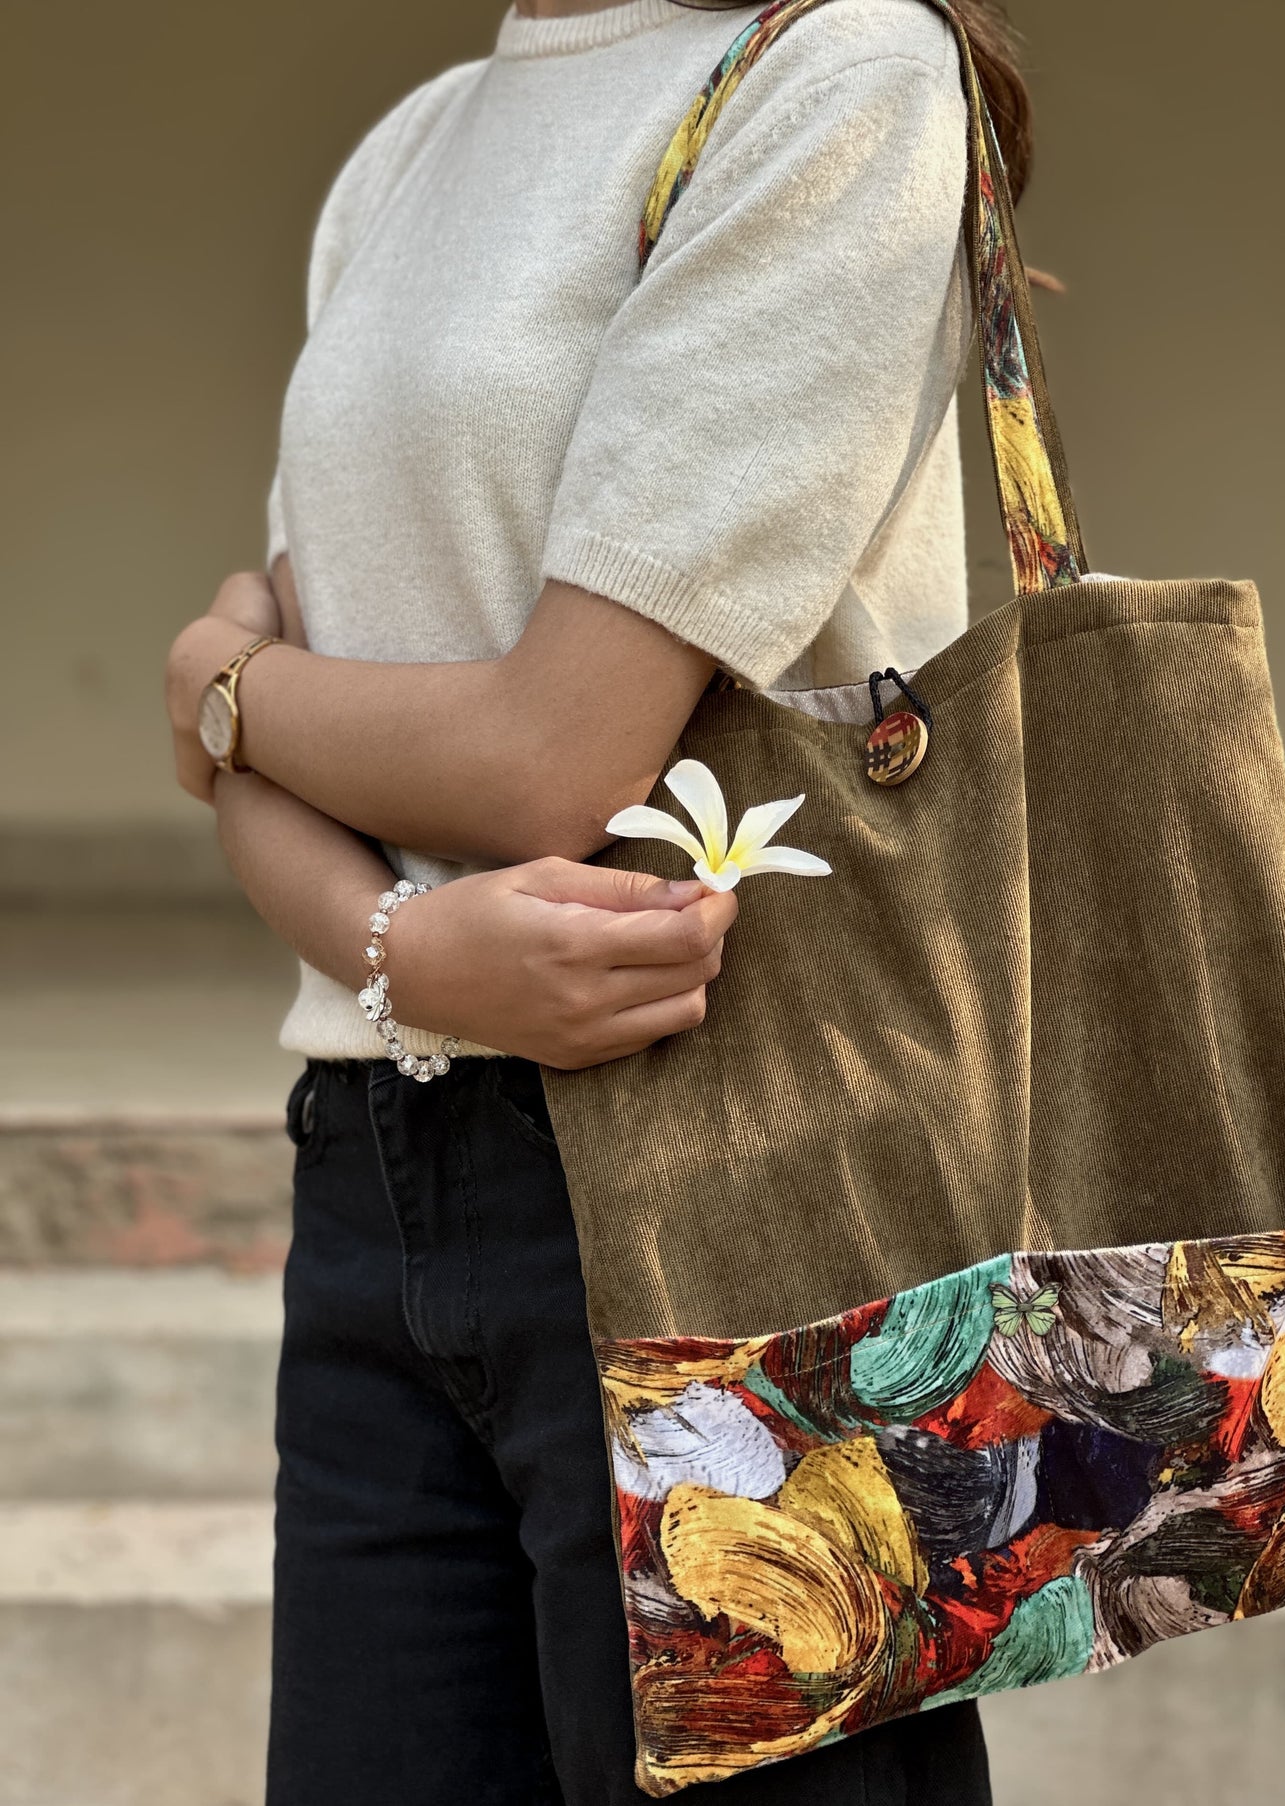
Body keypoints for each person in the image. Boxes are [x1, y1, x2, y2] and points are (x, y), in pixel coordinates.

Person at [165, 0, 1037, 1797]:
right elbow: (270, 771)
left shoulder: (843, 68)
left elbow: (543, 753)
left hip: (738, 1173)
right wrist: (402, 948)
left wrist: (219, 686)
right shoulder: (414, 146)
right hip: (377, 1175)